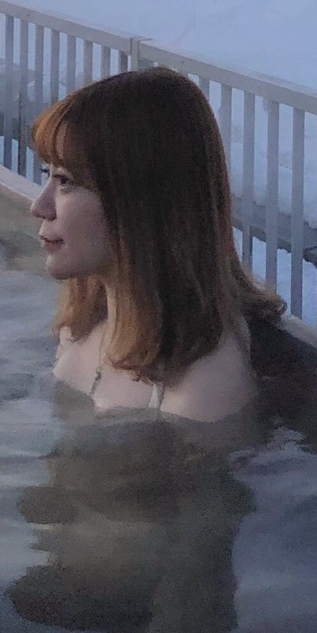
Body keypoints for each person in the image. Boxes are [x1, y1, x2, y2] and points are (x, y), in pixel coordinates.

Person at [29, 67, 283, 423]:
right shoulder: (85, 325)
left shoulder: (202, 388)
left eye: (66, 182)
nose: (39, 206)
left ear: (139, 203)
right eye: (47, 175)